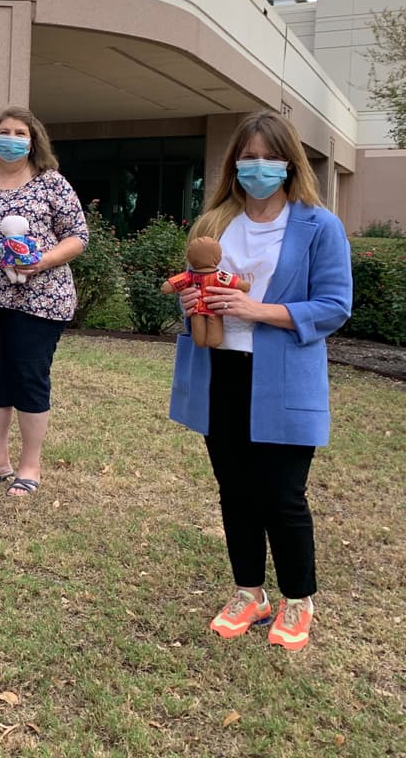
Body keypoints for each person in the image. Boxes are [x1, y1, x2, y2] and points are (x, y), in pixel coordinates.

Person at [169, 110, 351, 652]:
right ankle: (250, 592)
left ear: (290, 163)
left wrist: (257, 309)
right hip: (220, 370)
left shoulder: (319, 225)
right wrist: (190, 303)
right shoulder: (214, 223)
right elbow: (199, 297)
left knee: (282, 494)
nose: (258, 167)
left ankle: (299, 600)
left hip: (283, 377)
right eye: (247, 157)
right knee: (235, 491)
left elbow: (334, 306)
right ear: (233, 165)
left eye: (269, 157)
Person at [0, 105, 88, 497]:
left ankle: (30, 465)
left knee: (28, 377)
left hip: (39, 299)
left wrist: (41, 261)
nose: (11, 139)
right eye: (3, 131)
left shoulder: (52, 183)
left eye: (19, 133)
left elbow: (78, 236)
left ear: (33, 141)